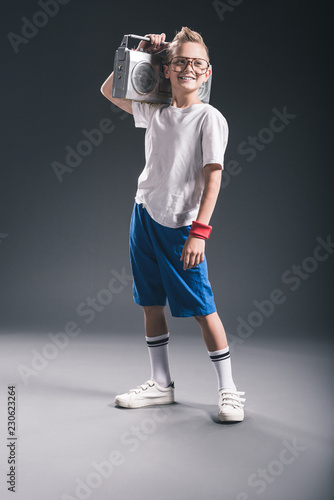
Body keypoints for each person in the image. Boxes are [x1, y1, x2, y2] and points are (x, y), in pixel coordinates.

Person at [100, 27, 245, 422]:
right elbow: (110, 90)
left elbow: (213, 178)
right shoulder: (156, 111)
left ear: (207, 72)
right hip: (144, 213)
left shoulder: (210, 118)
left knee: (202, 307)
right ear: (167, 69)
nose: (188, 68)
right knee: (149, 301)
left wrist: (200, 231)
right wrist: (141, 51)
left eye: (197, 63)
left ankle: (229, 391)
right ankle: (161, 384)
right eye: (180, 61)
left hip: (182, 225)